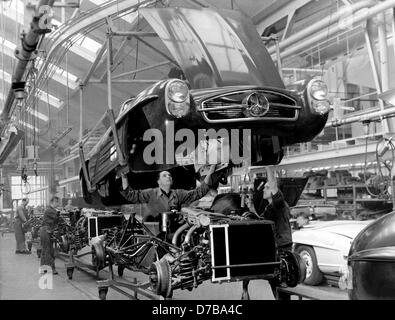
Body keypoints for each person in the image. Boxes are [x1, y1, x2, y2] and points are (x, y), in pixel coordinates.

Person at [119, 165, 216, 221]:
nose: (168, 177)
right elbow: (130, 195)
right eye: (164, 176)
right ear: (158, 182)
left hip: (174, 229)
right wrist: (124, 177)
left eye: (169, 175)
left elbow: (199, 192)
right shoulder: (151, 193)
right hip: (156, 231)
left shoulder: (179, 194)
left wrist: (210, 172)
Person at [257, 166, 293, 300]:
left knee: (280, 283)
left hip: (282, 247)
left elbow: (272, 184)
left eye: (266, 188)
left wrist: (267, 166)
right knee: (274, 283)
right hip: (275, 248)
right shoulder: (269, 207)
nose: (264, 190)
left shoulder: (279, 204)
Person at [39, 196, 61, 274]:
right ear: (53, 202)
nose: (58, 204)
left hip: (46, 230)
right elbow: (59, 218)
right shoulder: (50, 210)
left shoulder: (51, 210)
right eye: (57, 202)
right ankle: (51, 268)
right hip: (46, 230)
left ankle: (43, 268)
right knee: (49, 250)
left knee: (45, 250)